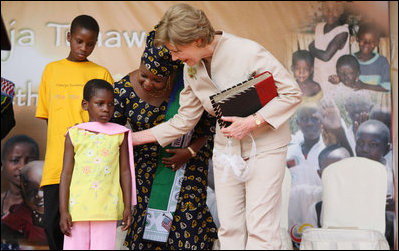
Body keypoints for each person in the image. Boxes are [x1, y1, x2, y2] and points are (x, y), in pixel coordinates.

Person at [130, 3, 302, 249]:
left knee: (260, 229)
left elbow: (291, 94)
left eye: (177, 51)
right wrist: (133, 138)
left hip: (265, 147)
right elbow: (183, 120)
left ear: (198, 40)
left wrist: (252, 122)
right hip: (226, 149)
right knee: (229, 227)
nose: (175, 58)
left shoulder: (247, 51)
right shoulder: (192, 67)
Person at [111, 29, 217, 250]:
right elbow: (112, 135)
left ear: (172, 74)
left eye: (158, 80)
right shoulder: (123, 90)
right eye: (144, 75)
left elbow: (209, 129)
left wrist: (189, 152)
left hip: (187, 169)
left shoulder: (191, 86)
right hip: (143, 175)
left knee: (187, 234)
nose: (148, 83)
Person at [35, 14, 114, 250]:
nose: (84, 48)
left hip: (89, 168)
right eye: (79, 41)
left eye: (90, 44)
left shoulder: (101, 74)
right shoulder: (51, 70)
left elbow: (107, 122)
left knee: (80, 232)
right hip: (56, 166)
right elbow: (49, 119)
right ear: (69, 37)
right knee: (52, 226)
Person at [59, 79, 133, 250]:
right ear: (85, 104)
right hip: (77, 210)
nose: (106, 109)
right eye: (99, 104)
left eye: (110, 104)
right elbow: (66, 174)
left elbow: (125, 172)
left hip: (107, 210)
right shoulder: (74, 134)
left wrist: (128, 206)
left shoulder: (119, 134)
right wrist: (63, 211)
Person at [1, 135, 39, 249]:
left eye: (30, 161)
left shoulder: (44, 205)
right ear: (2, 165)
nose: (22, 166)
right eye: (15, 160)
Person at [303, 144, 351, 229]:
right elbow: (310, 240)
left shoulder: (368, 204)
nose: (338, 177)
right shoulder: (317, 211)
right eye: (330, 172)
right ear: (320, 175)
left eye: (343, 170)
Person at [2, 161, 47, 246]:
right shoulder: (16, 218)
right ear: (23, 194)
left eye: (44, 188)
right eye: (31, 192)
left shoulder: (65, 214)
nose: (39, 195)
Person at [308, 1, 349, 94]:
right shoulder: (319, 27)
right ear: (321, 9)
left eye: (335, 9)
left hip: (334, 80)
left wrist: (311, 47)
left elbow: (326, 56)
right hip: (318, 77)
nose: (330, 13)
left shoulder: (342, 32)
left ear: (341, 10)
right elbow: (320, 45)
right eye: (327, 9)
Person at [353, 22, 391, 92]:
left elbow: (388, 87)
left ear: (377, 42)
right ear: (357, 39)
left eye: (372, 41)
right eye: (363, 40)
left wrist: (364, 86)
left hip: (375, 102)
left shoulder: (382, 62)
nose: (367, 44)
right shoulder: (350, 59)